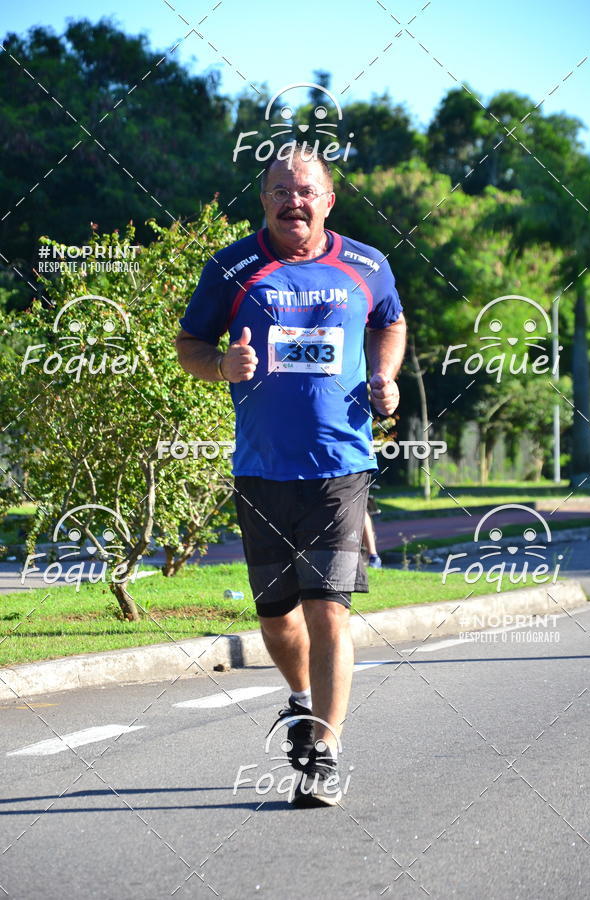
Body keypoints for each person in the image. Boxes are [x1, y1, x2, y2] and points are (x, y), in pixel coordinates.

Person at [176, 147, 406, 806]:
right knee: (277, 618)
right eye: (280, 190)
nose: (293, 201)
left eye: (305, 191)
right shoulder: (232, 267)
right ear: (264, 200)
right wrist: (221, 366)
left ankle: (324, 753)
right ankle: (301, 700)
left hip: (340, 465)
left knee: (328, 610)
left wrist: (384, 375)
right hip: (263, 468)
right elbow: (190, 345)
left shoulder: (367, 265)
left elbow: (390, 322)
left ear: (328, 201)